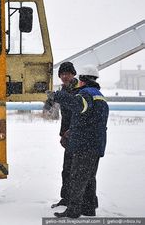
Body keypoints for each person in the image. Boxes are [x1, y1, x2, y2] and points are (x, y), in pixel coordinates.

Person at [47, 64, 109, 218]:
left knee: (77, 176)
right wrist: (68, 132)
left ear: (82, 80)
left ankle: (73, 210)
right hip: (94, 143)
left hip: (85, 144)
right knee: (88, 177)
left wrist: (57, 96)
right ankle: (88, 209)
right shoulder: (98, 94)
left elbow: (77, 105)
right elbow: (87, 120)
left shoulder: (85, 94)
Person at [50, 62, 80, 209]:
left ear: (73, 74)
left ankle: (75, 202)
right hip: (68, 134)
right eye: (62, 74)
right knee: (66, 169)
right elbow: (64, 115)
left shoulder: (79, 90)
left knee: (75, 170)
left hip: (77, 134)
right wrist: (63, 133)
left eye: (67, 73)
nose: (64, 76)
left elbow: (78, 113)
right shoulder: (64, 89)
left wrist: (71, 130)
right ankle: (66, 198)